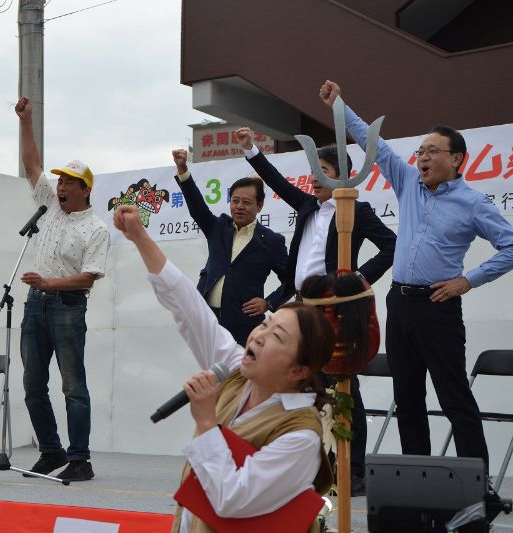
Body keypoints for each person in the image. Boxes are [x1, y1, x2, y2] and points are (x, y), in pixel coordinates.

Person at [320, 80, 513, 468]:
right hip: (400, 303)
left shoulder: (474, 203)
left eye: (431, 151)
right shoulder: (408, 182)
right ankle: (417, 487)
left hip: (437, 308)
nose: (422, 157)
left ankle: (476, 492)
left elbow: (510, 246)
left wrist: (468, 280)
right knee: (407, 399)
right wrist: (338, 106)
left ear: (457, 159)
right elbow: (373, 143)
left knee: (454, 397)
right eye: (420, 150)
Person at [114, 204, 333, 532]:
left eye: (277, 336)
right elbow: (188, 306)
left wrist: (206, 423)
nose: (259, 336)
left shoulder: (300, 436)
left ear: (299, 371)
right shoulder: (236, 371)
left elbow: (232, 499)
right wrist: (140, 237)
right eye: (266, 324)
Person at [236, 127, 396, 496]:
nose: (313, 178)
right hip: (301, 307)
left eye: (322, 169)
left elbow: (392, 246)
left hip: (335, 308)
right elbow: (275, 180)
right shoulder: (307, 204)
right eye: (313, 170)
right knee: (303, 382)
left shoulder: (357, 210)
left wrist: (356, 280)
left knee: (343, 386)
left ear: (340, 175)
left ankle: (354, 471)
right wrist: (251, 151)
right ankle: (311, 462)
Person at [15, 96, 110, 481]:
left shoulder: (97, 228)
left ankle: (81, 458)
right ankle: (51, 451)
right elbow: (31, 164)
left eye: (70, 181)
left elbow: (89, 277)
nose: (61, 186)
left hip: (68, 306)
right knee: (32, 383)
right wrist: (25, 121)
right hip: (35, 304)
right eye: (61, 180)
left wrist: (50, 283)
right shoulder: (50, 207)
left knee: (73, 385)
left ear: (85, 189)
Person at [171, 148, 288, 345]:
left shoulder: (271, 241)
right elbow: (196, 204)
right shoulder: (218, 227)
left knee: (240, 375)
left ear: (259, 206)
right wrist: (182, 170)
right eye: (235, 201)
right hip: (207, 320)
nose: (239, 206)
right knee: (211, 373)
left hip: (244, 326)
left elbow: (291, 279)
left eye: (246, 202)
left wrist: (269, 302)